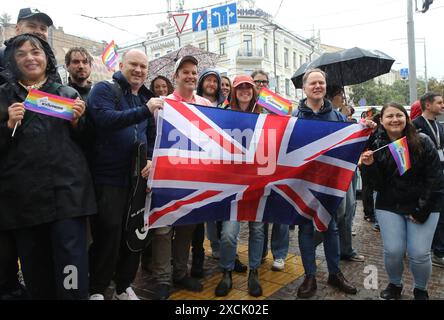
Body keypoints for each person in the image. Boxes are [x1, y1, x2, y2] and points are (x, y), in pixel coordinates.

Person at [0, 34, 96, 299]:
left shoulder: (66, 93)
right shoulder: (3, 97)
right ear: (12, 60)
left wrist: (79, 123)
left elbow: (89, 143)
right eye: (22, 54)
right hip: (23, 201)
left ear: (46, 57)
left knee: (71, 267)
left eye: (36, 51)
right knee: (36, 269)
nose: (30, 57)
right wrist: (7, 126)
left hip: (68, 196)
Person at [87, 49, 161, 300]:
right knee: (108, 233)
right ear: (120, 65)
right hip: (108, 179)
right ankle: (97, 288)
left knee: (134, 235)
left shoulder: (145, 98)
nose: (139, 70)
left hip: (137, 181)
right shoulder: (104, 90)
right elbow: (104, 119)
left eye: (143, 66)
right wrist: (145, 110)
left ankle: (123, 285)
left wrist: (150, 158)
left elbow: (151, 134)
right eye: (134, 65)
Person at [361, 102, 444, 300]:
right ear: (381, 121)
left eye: (399, 115)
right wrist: (369, 166)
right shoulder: (376, 145)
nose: (395, 120)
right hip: (389, 204)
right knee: (394, 251)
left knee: (419, 254)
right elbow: (377, 185)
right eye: (389, 116)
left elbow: (435, 179)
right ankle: (395, 284)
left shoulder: (422, 141)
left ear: (406, 119)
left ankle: (420, 289)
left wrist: (421, 209)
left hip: (424, 204)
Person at [0, 7, 54, 301]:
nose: (38, 32)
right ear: (17, 28)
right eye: (32, 26)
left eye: (43, 29)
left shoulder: (52, 82)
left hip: (37, 187)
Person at [292, 69, 359, 299]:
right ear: (305, 88)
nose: (318, 86)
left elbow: (351, 144)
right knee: (306, 228)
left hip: (329, 185)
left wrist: (364, 129)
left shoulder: (338, 117)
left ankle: (335, 273)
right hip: (303, 184)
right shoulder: (293, 116)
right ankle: (309, 275)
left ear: (325, 86)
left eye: (321, 82)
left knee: (331, 227)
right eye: (313, 83)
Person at [215, 74, 265, 297]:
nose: (245, 90)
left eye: (249, 87)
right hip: (232, 184)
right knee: (228, 233)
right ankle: (226, 271)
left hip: (259, 182)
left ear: (254, 91)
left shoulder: (265, 116)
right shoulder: (224, 115)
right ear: (233, 92)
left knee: (257, 229)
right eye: (240, 87)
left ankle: (254, 271)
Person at [166, 55, 211, 292]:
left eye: (194, 72)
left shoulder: (206, 105)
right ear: (176, 76)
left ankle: (179, 273)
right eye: (185, 72)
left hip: (195, 179)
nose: (191, 76)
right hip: (168, 177)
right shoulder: (163, 103)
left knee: (186, 228)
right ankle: (162, 274)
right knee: (163, 230)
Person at [250, 70, 290, 271]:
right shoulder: (247, 106)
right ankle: (261, 252)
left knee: (279, 213)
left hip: (277, 167)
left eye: (264, 81)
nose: (261, 84)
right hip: (255, 170)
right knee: (260, 215)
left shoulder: (277, 106)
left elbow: (288, 127)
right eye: (257, 81)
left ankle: (280, 254)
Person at [413, 92, 444, 268]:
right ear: (427, 105)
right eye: (439, 103)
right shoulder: (416, 126)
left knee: (441, 214)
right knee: (429, 214)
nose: (443, 105)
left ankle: (438, 250)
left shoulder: (439, 125)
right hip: (424, 181)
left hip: (440, 177)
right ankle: (431, 250)